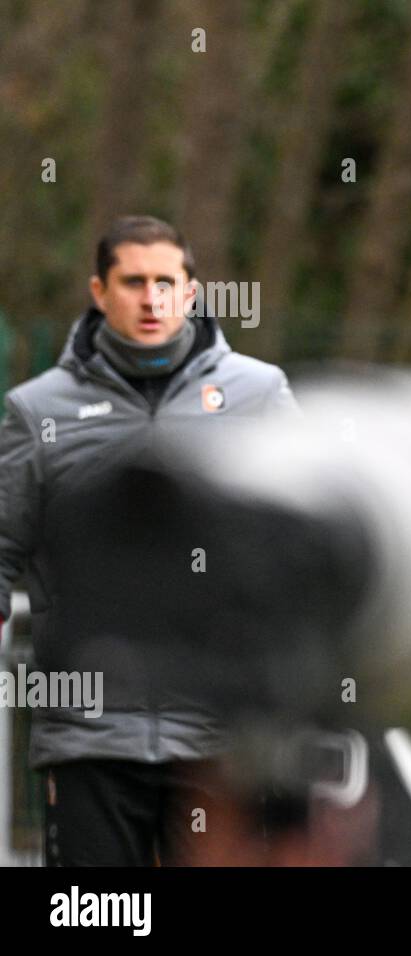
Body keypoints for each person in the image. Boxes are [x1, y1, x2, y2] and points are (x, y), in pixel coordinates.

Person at [0, 214, 297, 865]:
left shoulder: (260, 394)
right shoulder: (37, 411)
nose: (151, 298)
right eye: (133, 281)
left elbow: (303, 551)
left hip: (226, 742)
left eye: (166, 281)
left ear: (192, 291)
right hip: (89, 742)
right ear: (99, 292)